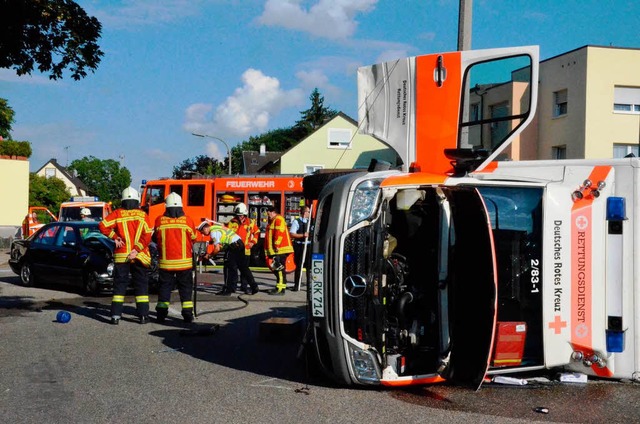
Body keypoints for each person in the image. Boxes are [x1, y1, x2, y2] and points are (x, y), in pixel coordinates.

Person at [99, 187, 153, 325]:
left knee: (119, 286)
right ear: (136, 200)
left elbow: (102, 226)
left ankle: (115, 316)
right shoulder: (142, 215)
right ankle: (143, 316)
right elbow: (147, 235)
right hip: (139, 255)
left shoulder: (117, 214)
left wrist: (115, 237)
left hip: (121, 255)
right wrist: (136, 249)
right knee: (141, 285)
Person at [152, 192, 197, 324]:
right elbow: (194, 238)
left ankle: (161, 314)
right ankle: (187, 314)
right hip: (185, 264)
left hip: (166, 263)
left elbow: (155, 238)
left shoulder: (159, 220)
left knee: (164, 288)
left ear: (166, 207)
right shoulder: (188, 221)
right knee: (186, 289)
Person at [197, 221, 244, 296]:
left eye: (202, 231)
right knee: (234, 268)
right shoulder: (216, 227)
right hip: (239, 243)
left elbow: (217, 248)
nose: (202, 234)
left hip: (233, 246)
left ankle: (227, 290)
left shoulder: (213, 232)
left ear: (205, 228)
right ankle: (233, 287)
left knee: (227, 268)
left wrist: (209, 256)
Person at [227, 202, 259, 295]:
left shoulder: (250, 223)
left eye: (241, 215)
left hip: (246, 249)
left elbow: (257, 232)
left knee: (244, 270)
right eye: (238, 215)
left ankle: (244, 287)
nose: (240, 217)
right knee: (233, 269)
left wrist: (253, 242)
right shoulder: (232, 222)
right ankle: (233, 287)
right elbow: (228, 234)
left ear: (245, 214)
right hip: (234, 250)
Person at [264, 205, 293, 295]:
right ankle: (279, 287)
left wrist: (277, 245)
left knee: (279, 268)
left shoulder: (278, 219)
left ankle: (280, 289)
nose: (268, 216)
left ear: (273, 212)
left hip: (280, 249)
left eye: (269, 214)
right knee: (277, 268)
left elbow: (279, 233)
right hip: (278, 249)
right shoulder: (274, 220)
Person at [290, 205, 311, 291]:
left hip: (308, 245)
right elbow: (292, 233)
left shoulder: (311, 222)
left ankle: (310, 286)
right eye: (308, 212)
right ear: (304, 212)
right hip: (300, 246)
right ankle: (296, 285)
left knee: (309, 267)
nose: (309, 213)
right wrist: (303, 235)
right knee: (299, 266)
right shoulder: (297, 222)